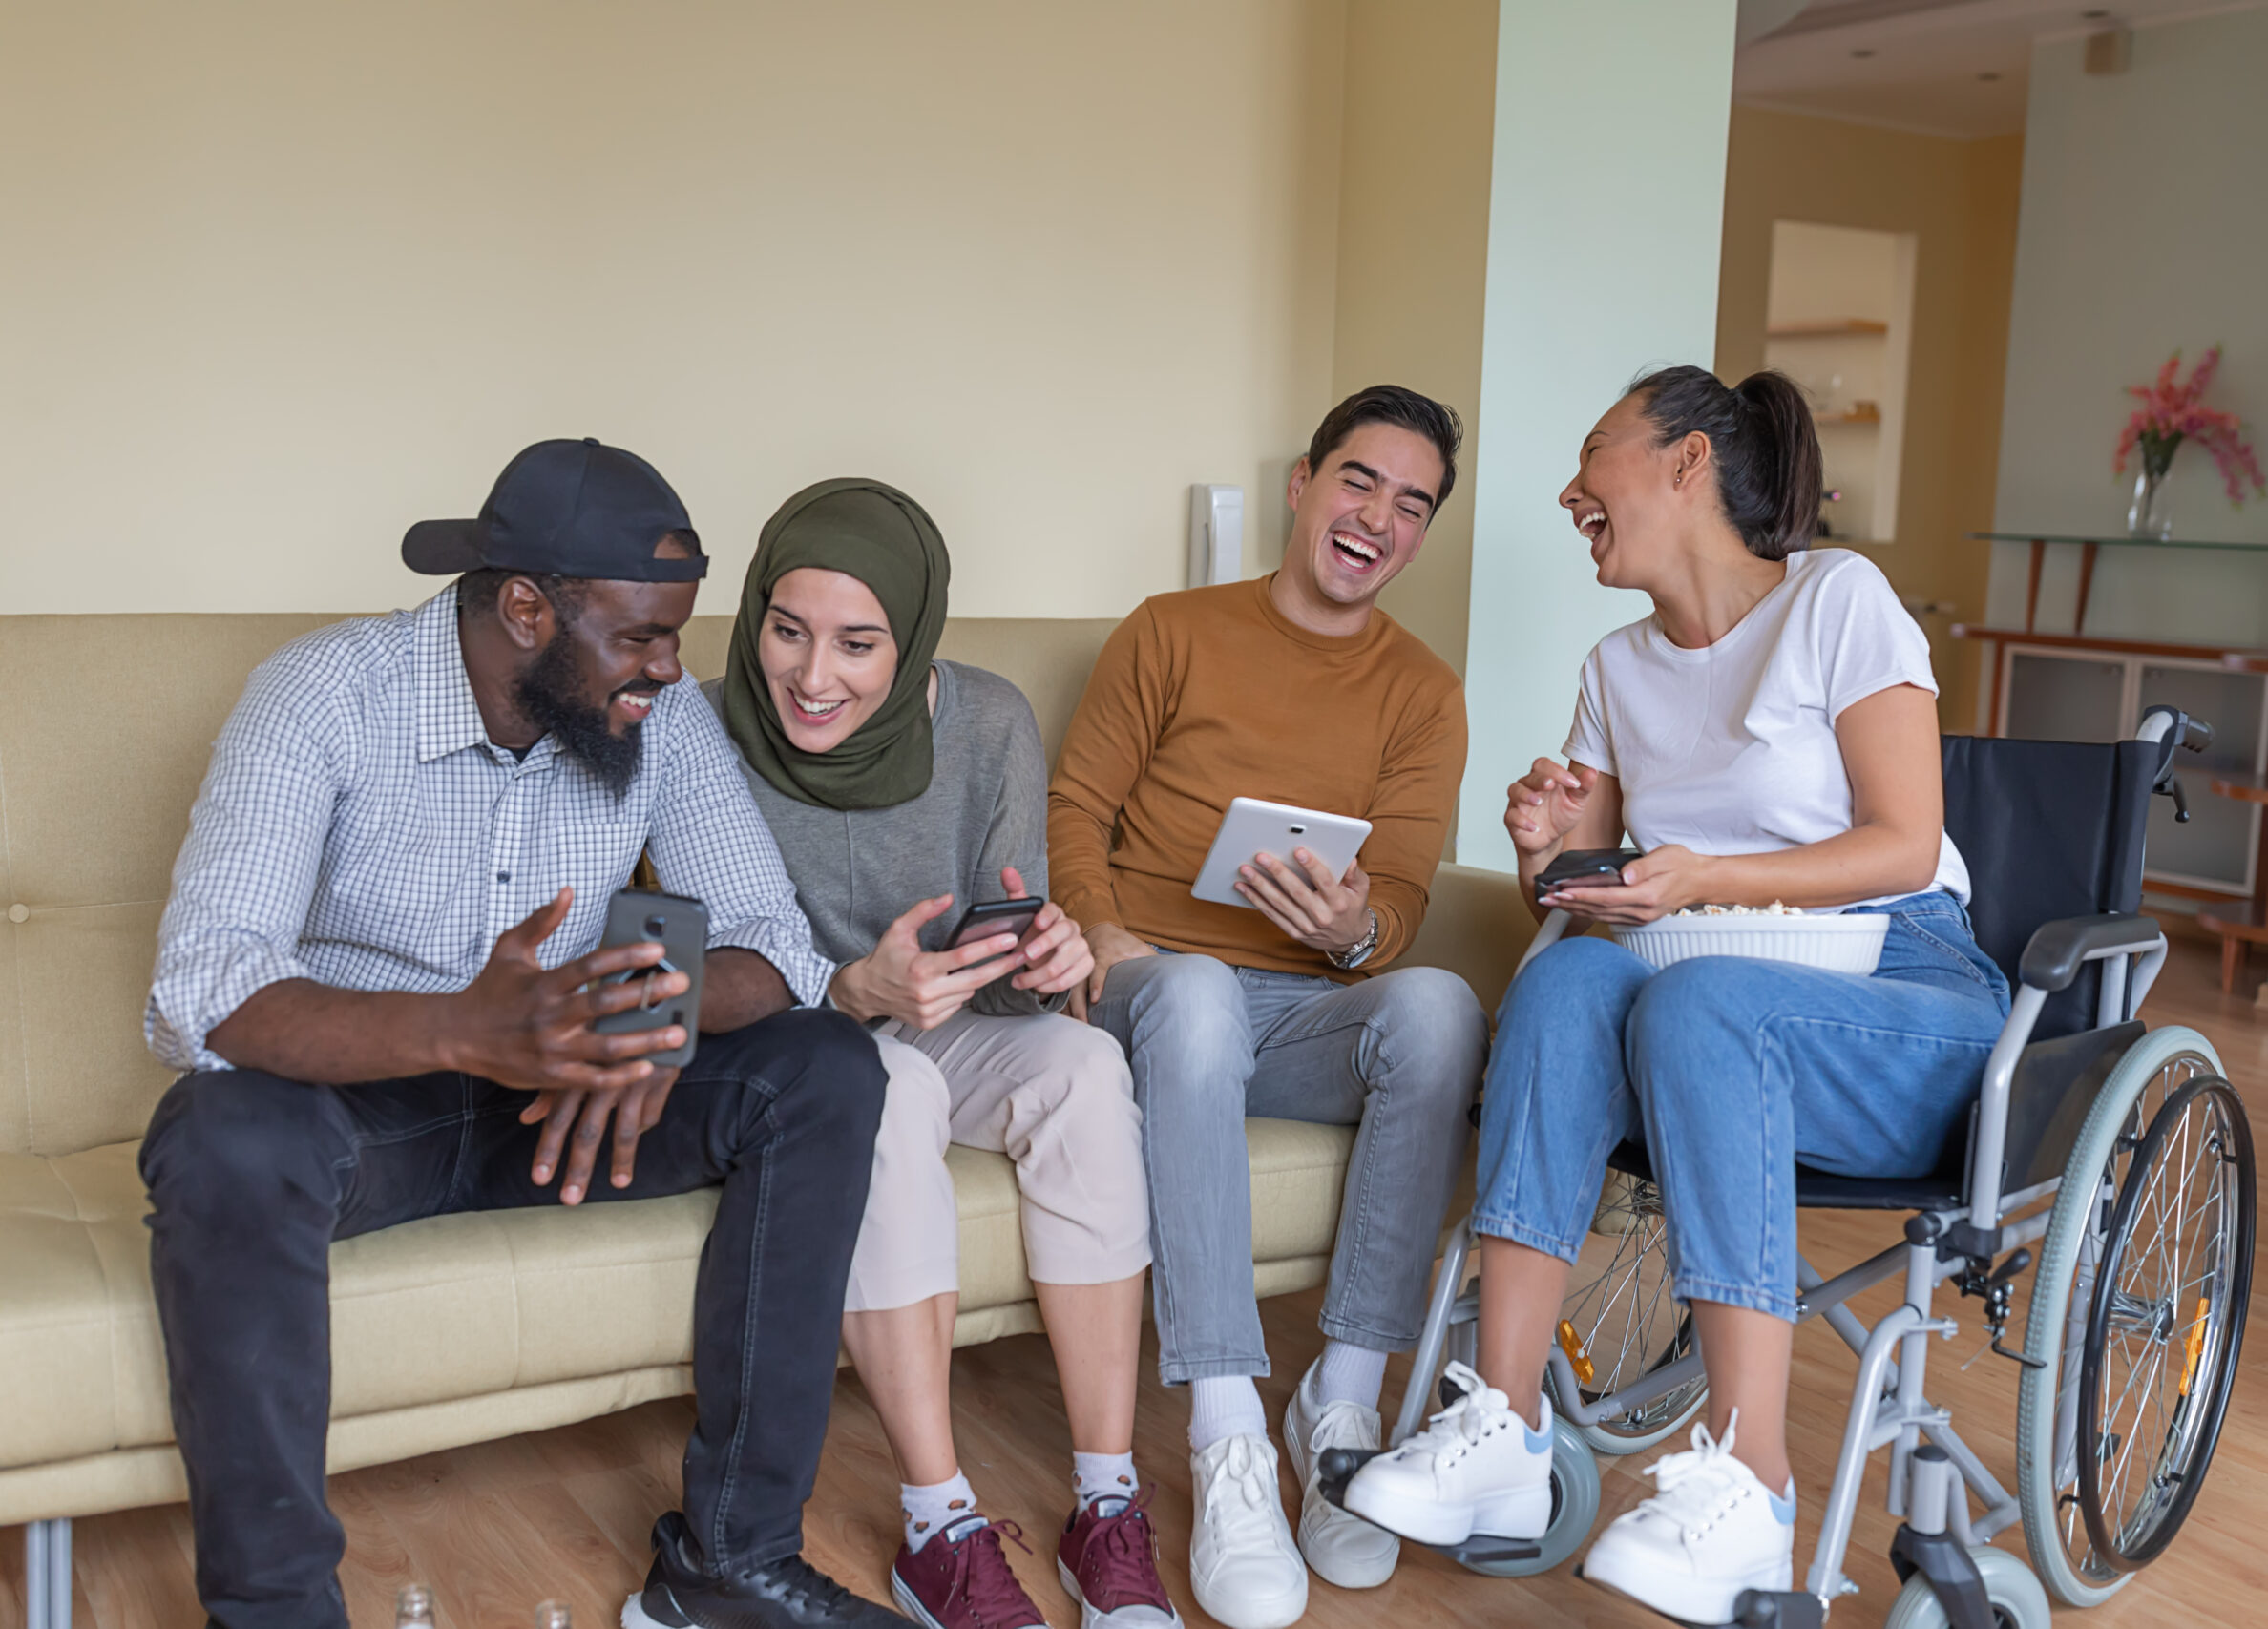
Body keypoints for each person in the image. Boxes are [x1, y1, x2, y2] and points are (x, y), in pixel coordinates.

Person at [139, 440, 896, 1629]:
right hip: (372, 1105)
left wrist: (643, 1019)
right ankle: (274, 1612)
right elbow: (204, 987)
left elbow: (776, 942)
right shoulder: (325, 693)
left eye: (676, 634)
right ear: (528, 609)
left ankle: (729, 1565)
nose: (666, 668)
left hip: (571, 1095)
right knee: (219, 1132)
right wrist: (461, 1026)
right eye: (639, 638)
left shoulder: (658, 719)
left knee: (827, 1068)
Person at [1339, 366, 2011, 1625]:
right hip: (1698, 994)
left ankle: (1752, 1489)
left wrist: (1710, 875)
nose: (1568, 489)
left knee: (1700, 1000)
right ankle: (1504, 1423)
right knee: (1560, 979)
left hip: (1901, 986)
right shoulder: (1617, 665)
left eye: (1596, 454)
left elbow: (1905, 843)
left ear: (1689, 463)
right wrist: (1550, 849)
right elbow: (1590, 900)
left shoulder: (1837, 601)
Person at [1049, 386, 1490, 1629]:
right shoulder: (1171, 629)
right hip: (1150, 989)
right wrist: (1102, 923)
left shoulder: (1423, 691)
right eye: (1360, 482)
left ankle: (1340, 1405)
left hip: (1299, 1011)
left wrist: (1353, 928)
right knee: (1192, 992)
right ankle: (1232, 1433)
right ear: (1304, 484)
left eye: (1412, 505)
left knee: (1444, 1006)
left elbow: (1398, 893)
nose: (1378, 518)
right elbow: (1074, 804)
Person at [710, 478, 1174, 1629]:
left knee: (1085, 1072)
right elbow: (687, 959)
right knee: (892, 1082)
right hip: (790, 1049)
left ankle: (1105, 1503)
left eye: (858, 644)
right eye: (787, 631)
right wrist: (845, 984)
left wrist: (1043, 958)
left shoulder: (987, 722)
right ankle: (937, 1523)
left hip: (945, 1022)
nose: (813, 678)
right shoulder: (700, 729)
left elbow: (1014, 996)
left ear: (913, 641)